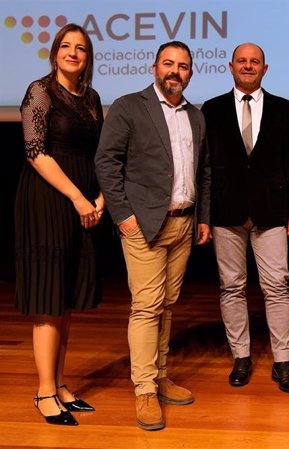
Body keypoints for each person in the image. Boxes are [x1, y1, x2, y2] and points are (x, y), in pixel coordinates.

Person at [95, 41, 211, 430]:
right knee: (146, 306)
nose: (175, 71)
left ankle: (160, 376)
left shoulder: (195, 116)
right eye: (168, 64)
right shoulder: (130, 106)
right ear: (154, 67)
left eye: (182, 66)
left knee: (167, 304)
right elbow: (106, 161)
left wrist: (201, 218)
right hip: (143, 224)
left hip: (183, 222)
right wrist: (122, 214)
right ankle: (144, 388)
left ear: (190, 73)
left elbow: (203, 172)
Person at [201, 43, 289, 394]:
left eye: (255, 62)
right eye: (242, 61)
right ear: (231, 66)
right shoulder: (211, 109)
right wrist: (205, 215)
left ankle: (282, 362)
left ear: (265, 68)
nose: (248, 66)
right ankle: (241, 357)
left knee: (277, 287)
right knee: (231, 287)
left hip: (273, 212)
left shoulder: (283, 108)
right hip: (226, 212)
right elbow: (204, 166)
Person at [15, 23, 103, 426]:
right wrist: (78, 196)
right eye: (66, 46)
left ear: (87, 57)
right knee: (49, 299)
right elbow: (35, 151)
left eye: (81, 48)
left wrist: (98, 197)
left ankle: (60, 382)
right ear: (54, 53)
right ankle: (44, 391)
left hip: (81, 199)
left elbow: (98, 153)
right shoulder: (39, 91)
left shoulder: (92, 97)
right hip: (49, 197)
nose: (73, 53)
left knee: (65, 296)